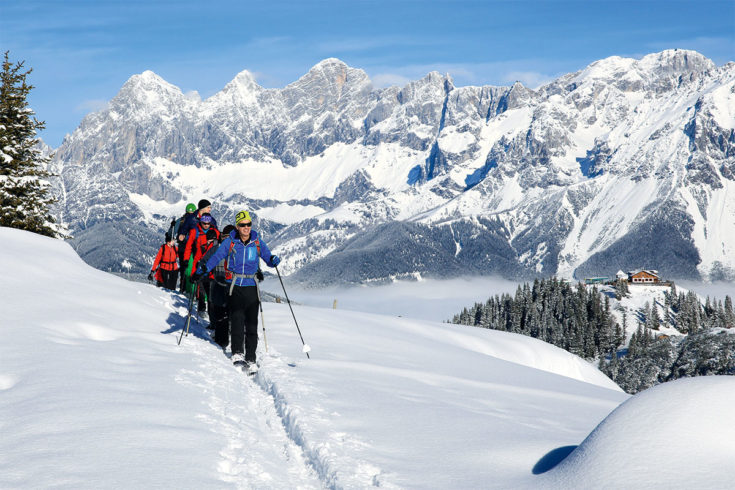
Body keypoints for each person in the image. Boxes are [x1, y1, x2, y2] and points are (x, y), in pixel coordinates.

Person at [194, 210, 280, 372]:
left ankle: (251, 358)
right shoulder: (230, 242)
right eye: (242, 225)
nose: (246, 227)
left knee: (252, 324)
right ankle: (238, 353)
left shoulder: (257, 242)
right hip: (234, 285)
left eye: (248, 224)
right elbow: (217, 256)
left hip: (252, 286)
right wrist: (203, 269)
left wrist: (273, 260)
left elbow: (268, 258)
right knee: (238, 320)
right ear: (237, 226)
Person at [200, 224, 235, 350]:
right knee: (229, 313)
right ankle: (229, 338)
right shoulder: (238, 249)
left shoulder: (216, 248)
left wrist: (200, 272)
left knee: (221, 314)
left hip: (219, 286)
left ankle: (222, 340)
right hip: (231, 287)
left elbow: (203, 262)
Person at [184, 213, 219, 316]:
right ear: (201, 222)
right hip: (199, 262)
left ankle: (211, 311)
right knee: (200, 286)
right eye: (204, 223)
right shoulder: (195, 231)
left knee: (210, 288)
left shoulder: (215, 232)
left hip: (211, 263)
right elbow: (189, 246)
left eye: (208, 223)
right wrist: (186, 259)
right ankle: (201, 307)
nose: (206, 225)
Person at [175, 203, 197, 292]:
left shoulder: (180, 220)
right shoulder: (197, 221)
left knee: (183, 267)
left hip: (182, 247)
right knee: (193, 267)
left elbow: (171, 233)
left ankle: (182, 288)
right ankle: (191, 288)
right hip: (193, 247)